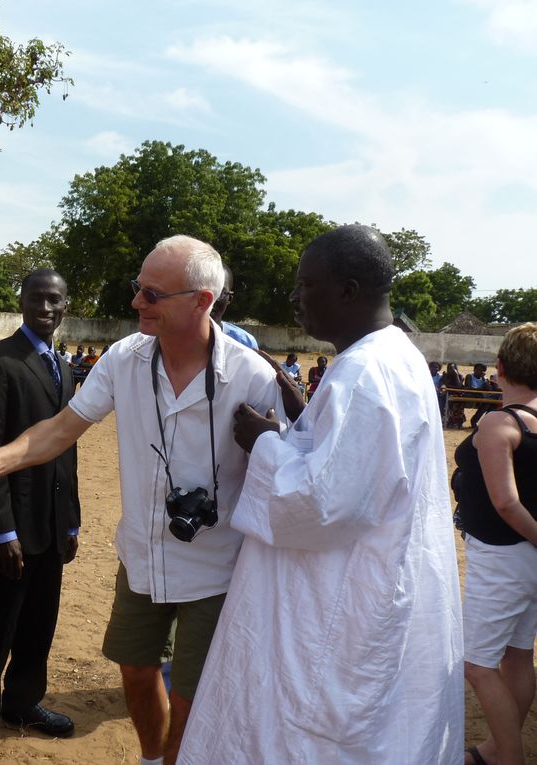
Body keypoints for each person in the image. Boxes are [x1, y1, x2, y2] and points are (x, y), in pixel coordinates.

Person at [0, 235, 282, 765]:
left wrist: (273, 442)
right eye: (137, 289)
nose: (136, 303)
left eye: (152, 294)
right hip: (143, 555)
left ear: (201, 300)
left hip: (217, 567)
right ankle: (154, 758)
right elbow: (59, 430)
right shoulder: (124, 359)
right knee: (134, 668)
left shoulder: (253, 378)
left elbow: (286, 481)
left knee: (190, 695)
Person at [176, 224, 463, 764]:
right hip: (379, 579)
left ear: (348, 291)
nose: (295, 298)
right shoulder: (397, 355)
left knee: (314, 729)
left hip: (346, 602)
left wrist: (263, 444)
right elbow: (363, 465)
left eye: (306, 285)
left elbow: (321, 504)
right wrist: (306, 419)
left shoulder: (363, 373)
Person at [0, 269, 81, 763]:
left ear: (66, 305)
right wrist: (0, 529)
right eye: (36, 299)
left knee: (38, 620)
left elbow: (66, 450)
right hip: (10, 526)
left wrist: (70, 520)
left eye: (55, 300)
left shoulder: (64, 369)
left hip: (51, 522)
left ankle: (23, 703)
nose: (45, 308)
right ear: (22, 301)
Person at [452, 324, 537, 765]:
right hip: (527, 560)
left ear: (500, 368)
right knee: (518, 655)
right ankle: (494, 751)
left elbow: (506, 503)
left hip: (504, 558)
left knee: (477, 664)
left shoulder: (500, 423)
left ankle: (508, 757)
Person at [209, 264, 258, 350]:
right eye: (201, 291)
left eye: (220, 293)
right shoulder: (178, 339)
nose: (210, 300)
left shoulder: (245, 343)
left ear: (230, 298)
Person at [444, 362, 467, 428]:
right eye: (449, 368)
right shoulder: (445, 376)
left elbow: (459, 386)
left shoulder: (460, 376)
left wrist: (456, 375)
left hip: (458, 395)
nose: (450, 370)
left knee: (458, 402)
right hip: (448, 394)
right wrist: (452, 387)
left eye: (452, 368)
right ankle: (450, 422)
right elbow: (446, 385)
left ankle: (458, 422)